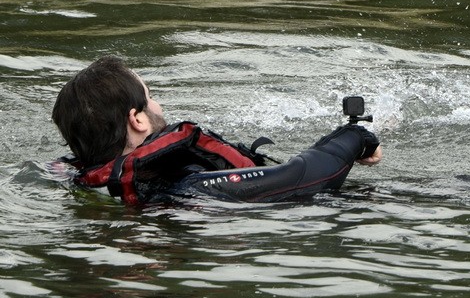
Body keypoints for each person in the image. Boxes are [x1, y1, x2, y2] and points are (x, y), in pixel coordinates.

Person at [51, 56, 382, 205]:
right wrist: (356, 138)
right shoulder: (188, 185)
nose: (160, 105)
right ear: (137, 119)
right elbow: (305, 177)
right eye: (152, 97)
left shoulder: (86, 183)